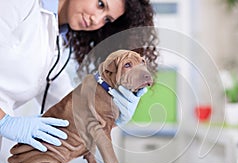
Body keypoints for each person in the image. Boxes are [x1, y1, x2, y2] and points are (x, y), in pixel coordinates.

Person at [0, 0, 158, 152]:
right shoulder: (21, 4)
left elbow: (75, 113)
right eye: (100, 4)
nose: (96, 20)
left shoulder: (58, 49)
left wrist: (113, 114)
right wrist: (4, 121)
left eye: (107, 19)